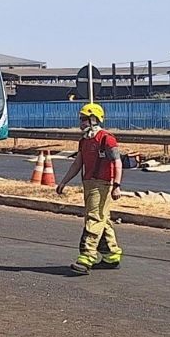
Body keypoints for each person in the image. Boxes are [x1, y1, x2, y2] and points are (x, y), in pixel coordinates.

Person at [56, 103, 123, 275]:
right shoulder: (85, 141)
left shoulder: (106, 138)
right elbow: (78, 162)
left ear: (94, 119)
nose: (81, 122)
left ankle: (87, 257)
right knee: (102, 219)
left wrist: (116, 185)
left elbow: (117, 162)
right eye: (81, 119)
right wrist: (64, 181)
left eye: (85, 119)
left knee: (93, 219)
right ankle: (111, 255)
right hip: (89, 184)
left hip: (103, 185)